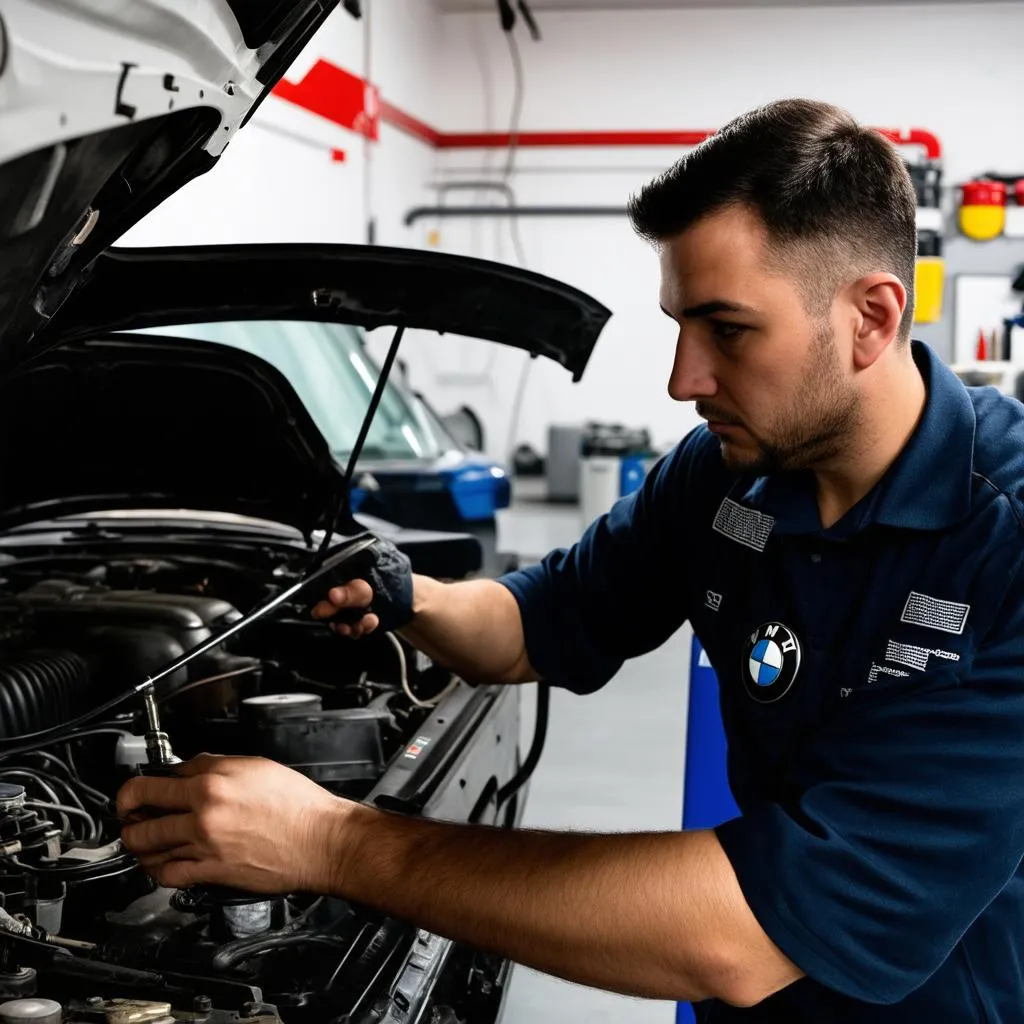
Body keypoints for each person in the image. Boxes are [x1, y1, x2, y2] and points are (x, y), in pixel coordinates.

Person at [117, 98, 1024, 1022]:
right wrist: (411, 596)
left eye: (729, 330)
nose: (683, 379)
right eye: (678, 324)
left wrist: (337, 843)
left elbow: (749, 933)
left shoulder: (1005, 543)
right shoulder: (721, 478)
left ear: (872, 318)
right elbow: (537, 622)